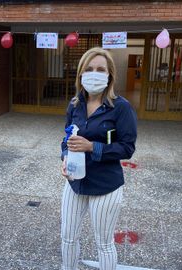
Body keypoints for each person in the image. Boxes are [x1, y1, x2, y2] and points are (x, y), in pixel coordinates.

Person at [60, 47, 137, 270]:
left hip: (106, 185)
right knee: (67, 237)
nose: (94, 73)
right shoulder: (75, 104)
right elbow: (66, 138)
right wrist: (64, 158)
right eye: (89, 69)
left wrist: (92, 146)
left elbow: (127, 148)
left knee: (104, 243)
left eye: (100, 69)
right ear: (81, 74)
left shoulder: (121, 108)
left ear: (109, 75)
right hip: (75, 182)